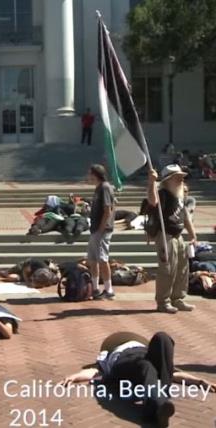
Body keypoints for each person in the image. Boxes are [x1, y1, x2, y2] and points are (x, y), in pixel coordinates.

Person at [59, 332, 216, 427]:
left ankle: (157, 402)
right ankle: (157, 402)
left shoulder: (148, 350)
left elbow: (172, 373)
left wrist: (201, 382)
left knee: (163, 338)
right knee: (145, 366)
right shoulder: (109, 351)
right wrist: (75, 376)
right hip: (123, 363)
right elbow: (95, 370)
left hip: (146, 363)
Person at [147, 165, 197, 313]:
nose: (181, 179)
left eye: (182, 176)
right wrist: (151, 183)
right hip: (165, 235)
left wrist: (192, 234)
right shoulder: (162, 193)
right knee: (167, 269)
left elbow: (185, 215)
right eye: (177, 177)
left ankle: (178, 298)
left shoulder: (180, 193)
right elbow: (152, 202)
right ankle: (163, 302)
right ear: (168, 179)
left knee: (182, 267)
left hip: (178, 235)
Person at [87, 164, 115, 300]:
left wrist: (101, 228)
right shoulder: (98, 188)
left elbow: (108, 209)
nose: (89, 176)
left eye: (90, 173)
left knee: (103, 259)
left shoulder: (105, 187)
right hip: (95, 229)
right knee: (93, 259)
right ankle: (95, 288)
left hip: (102, 230)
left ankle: (109, 290)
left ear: (96, 174)